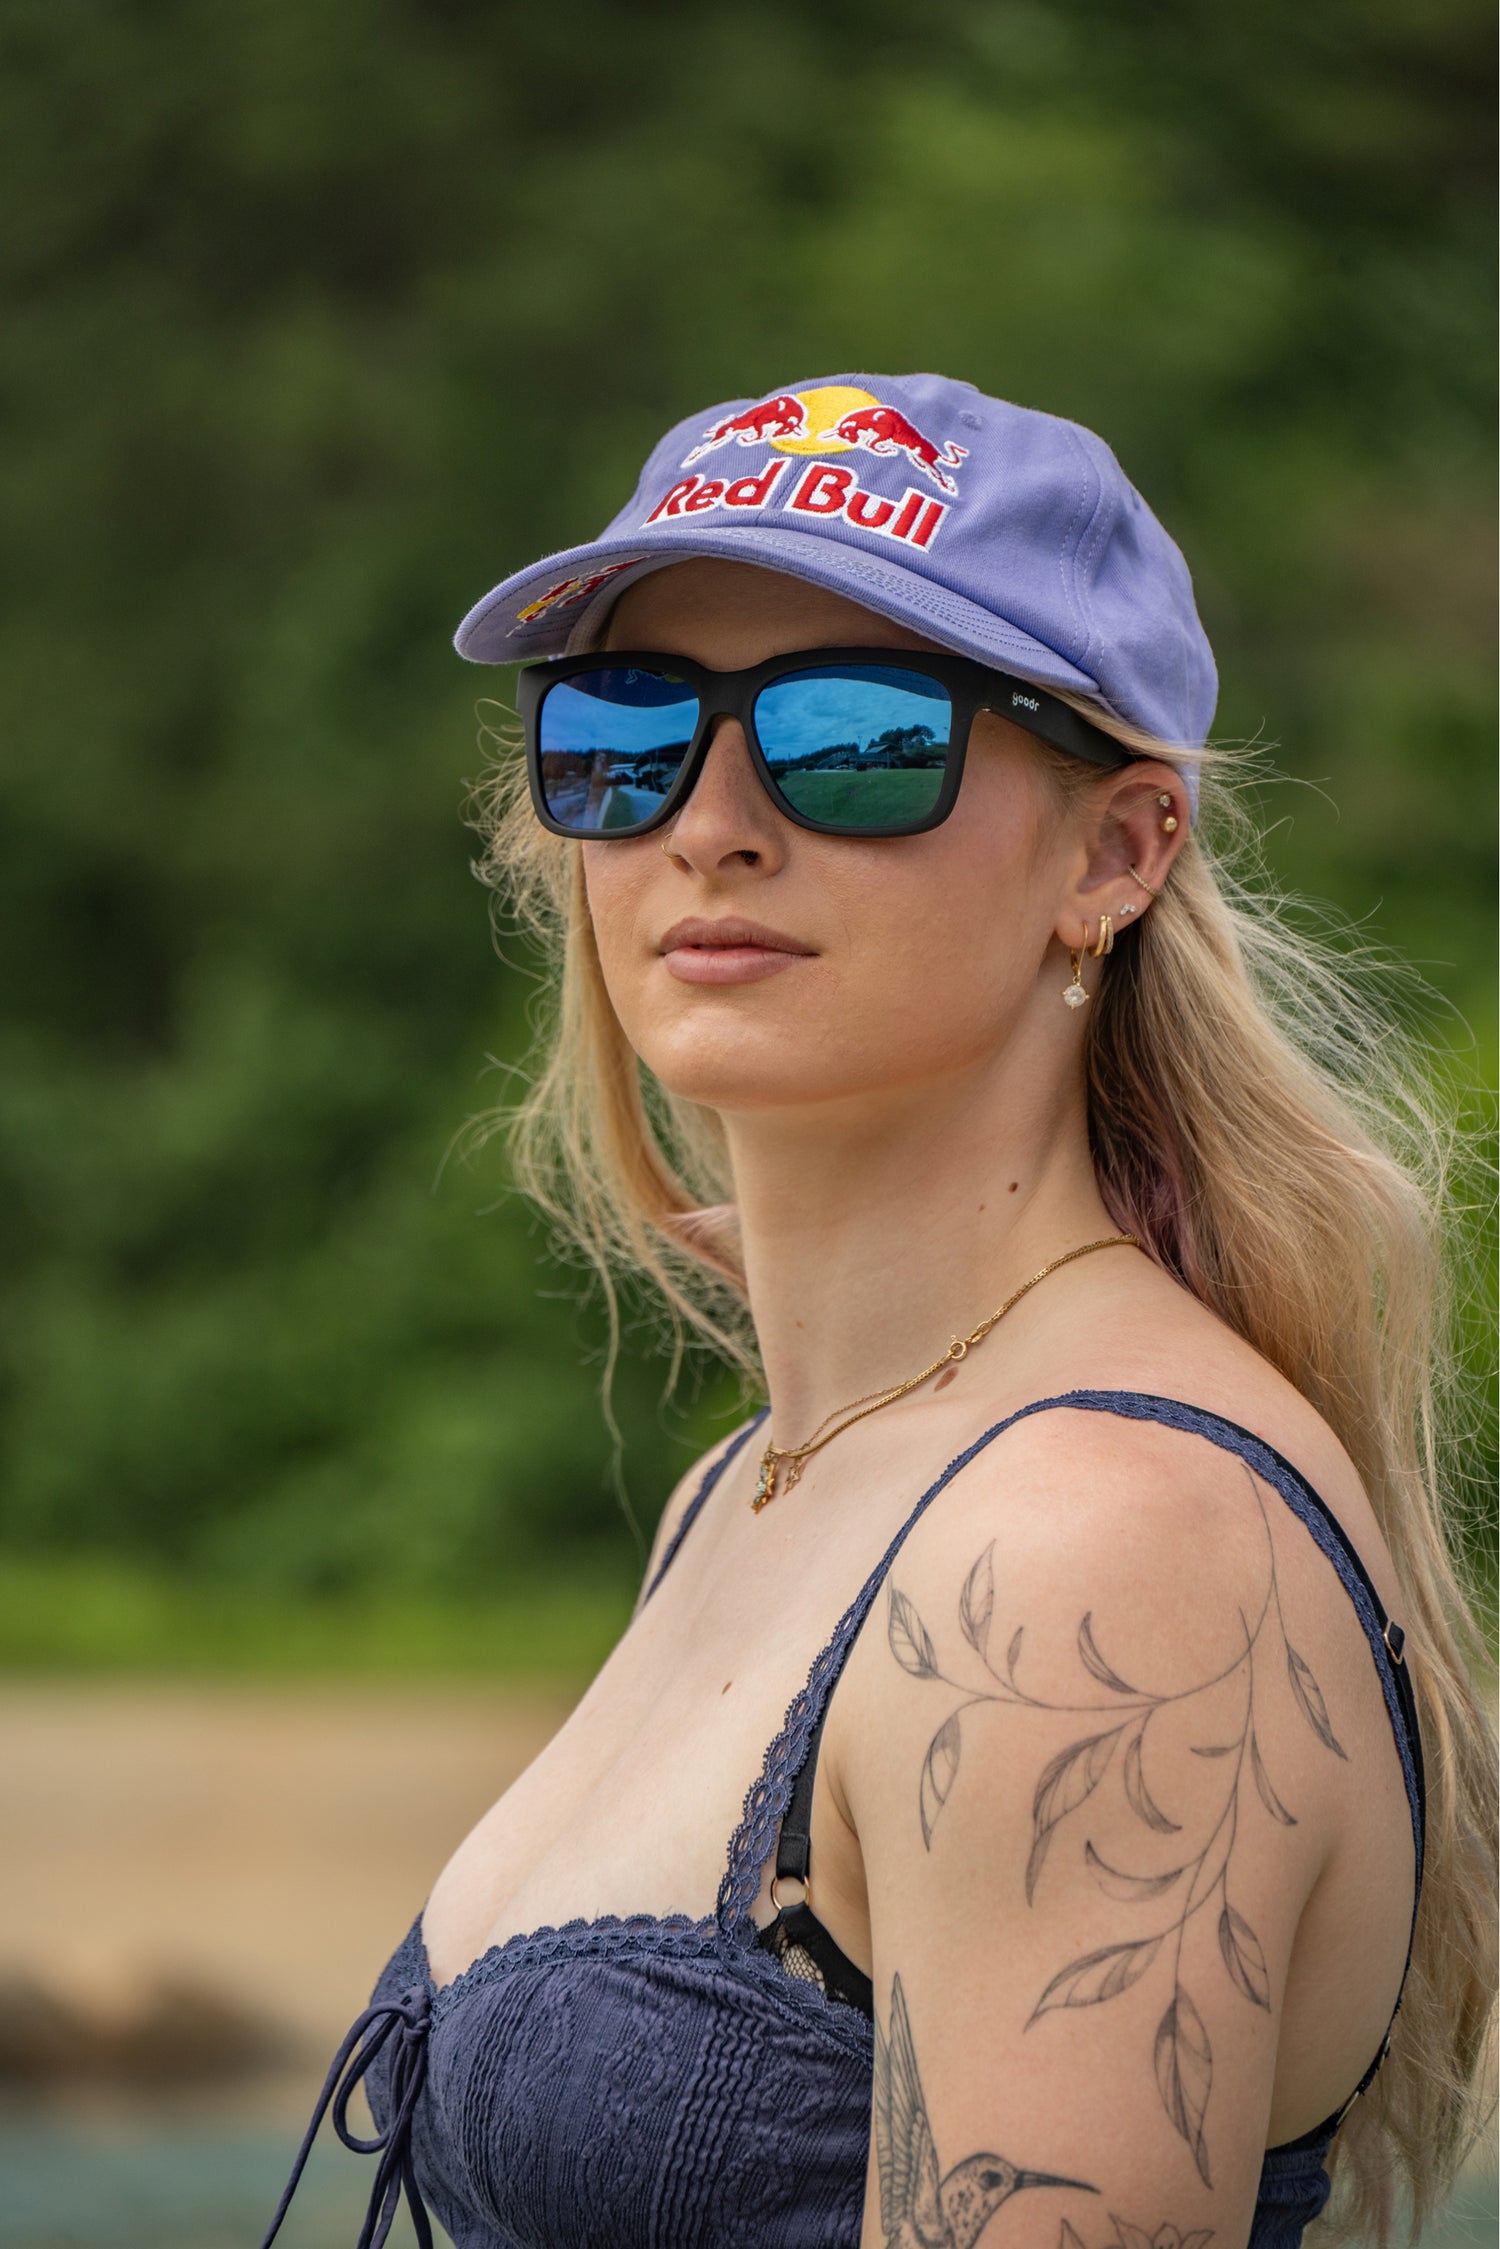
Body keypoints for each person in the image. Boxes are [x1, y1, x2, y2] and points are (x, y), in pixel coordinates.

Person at [263, 375, 1495, 2249]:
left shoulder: (1113, 1546)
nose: (717, 820)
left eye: (856, 736)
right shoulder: (756, 1483)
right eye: (627, 730)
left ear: (1116, 852)